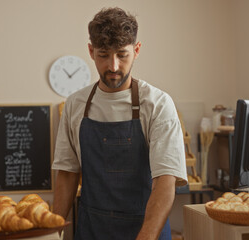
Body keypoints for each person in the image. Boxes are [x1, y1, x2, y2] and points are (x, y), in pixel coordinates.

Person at [52, 7, 187, 240]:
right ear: (91, 51)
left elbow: (165, 181)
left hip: (147, 229)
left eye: (122, 55)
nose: (113, 66)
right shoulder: (76, 104)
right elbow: (67, 173)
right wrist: (53, 232)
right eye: (104, 55)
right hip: (92, 230)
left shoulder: (157, 104)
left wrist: (146, 236)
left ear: (136, 50)